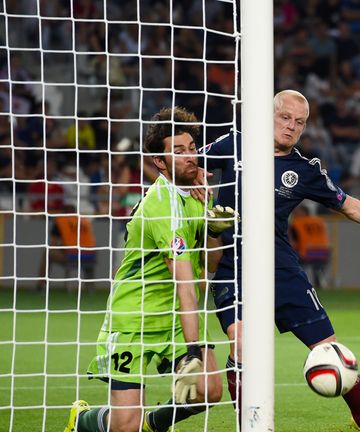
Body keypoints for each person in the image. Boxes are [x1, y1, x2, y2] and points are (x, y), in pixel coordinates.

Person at [200, 90, 360, 432]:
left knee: (330, 350)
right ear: (267, 115)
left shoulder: (303, 170)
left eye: (299, 123)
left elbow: (353, 206)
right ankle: (248, 427)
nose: (291, 127)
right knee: (241, 344)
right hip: (232, 266)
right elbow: (186, 165)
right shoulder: (233, 144)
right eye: (285, 117)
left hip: (280, 269)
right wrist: (193, 182)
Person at [65, 107, 238, 432]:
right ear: (159, 162)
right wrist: (191, 354)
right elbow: (187, 285)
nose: (190, 157)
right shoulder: (162, 207)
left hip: (174, 316)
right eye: (178, 151)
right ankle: (82, 421)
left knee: (207, 392)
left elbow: (211, 264)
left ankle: (152, 424)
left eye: (191, 149)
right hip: (135, 319)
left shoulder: (197, 195)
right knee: (123, 426)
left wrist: (214, 229)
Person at [36, 204, 97, 291]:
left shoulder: (61, 220)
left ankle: (41, 286)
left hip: (72, 256)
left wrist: (62, 247)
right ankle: (90, 288)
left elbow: (53, 243)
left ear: (63, 212)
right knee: (86, 257)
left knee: (47, 253)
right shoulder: (84, 220)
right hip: (90, 256)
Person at [290, 204, 332, 289]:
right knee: (317, 269)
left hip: (308, 251)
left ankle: (303, 283)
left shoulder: (297, 222)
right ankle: (319, 281)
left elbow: (294, 242)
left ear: (304, 212)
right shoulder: (318, 220)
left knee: (299, 266)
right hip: (323, 251)